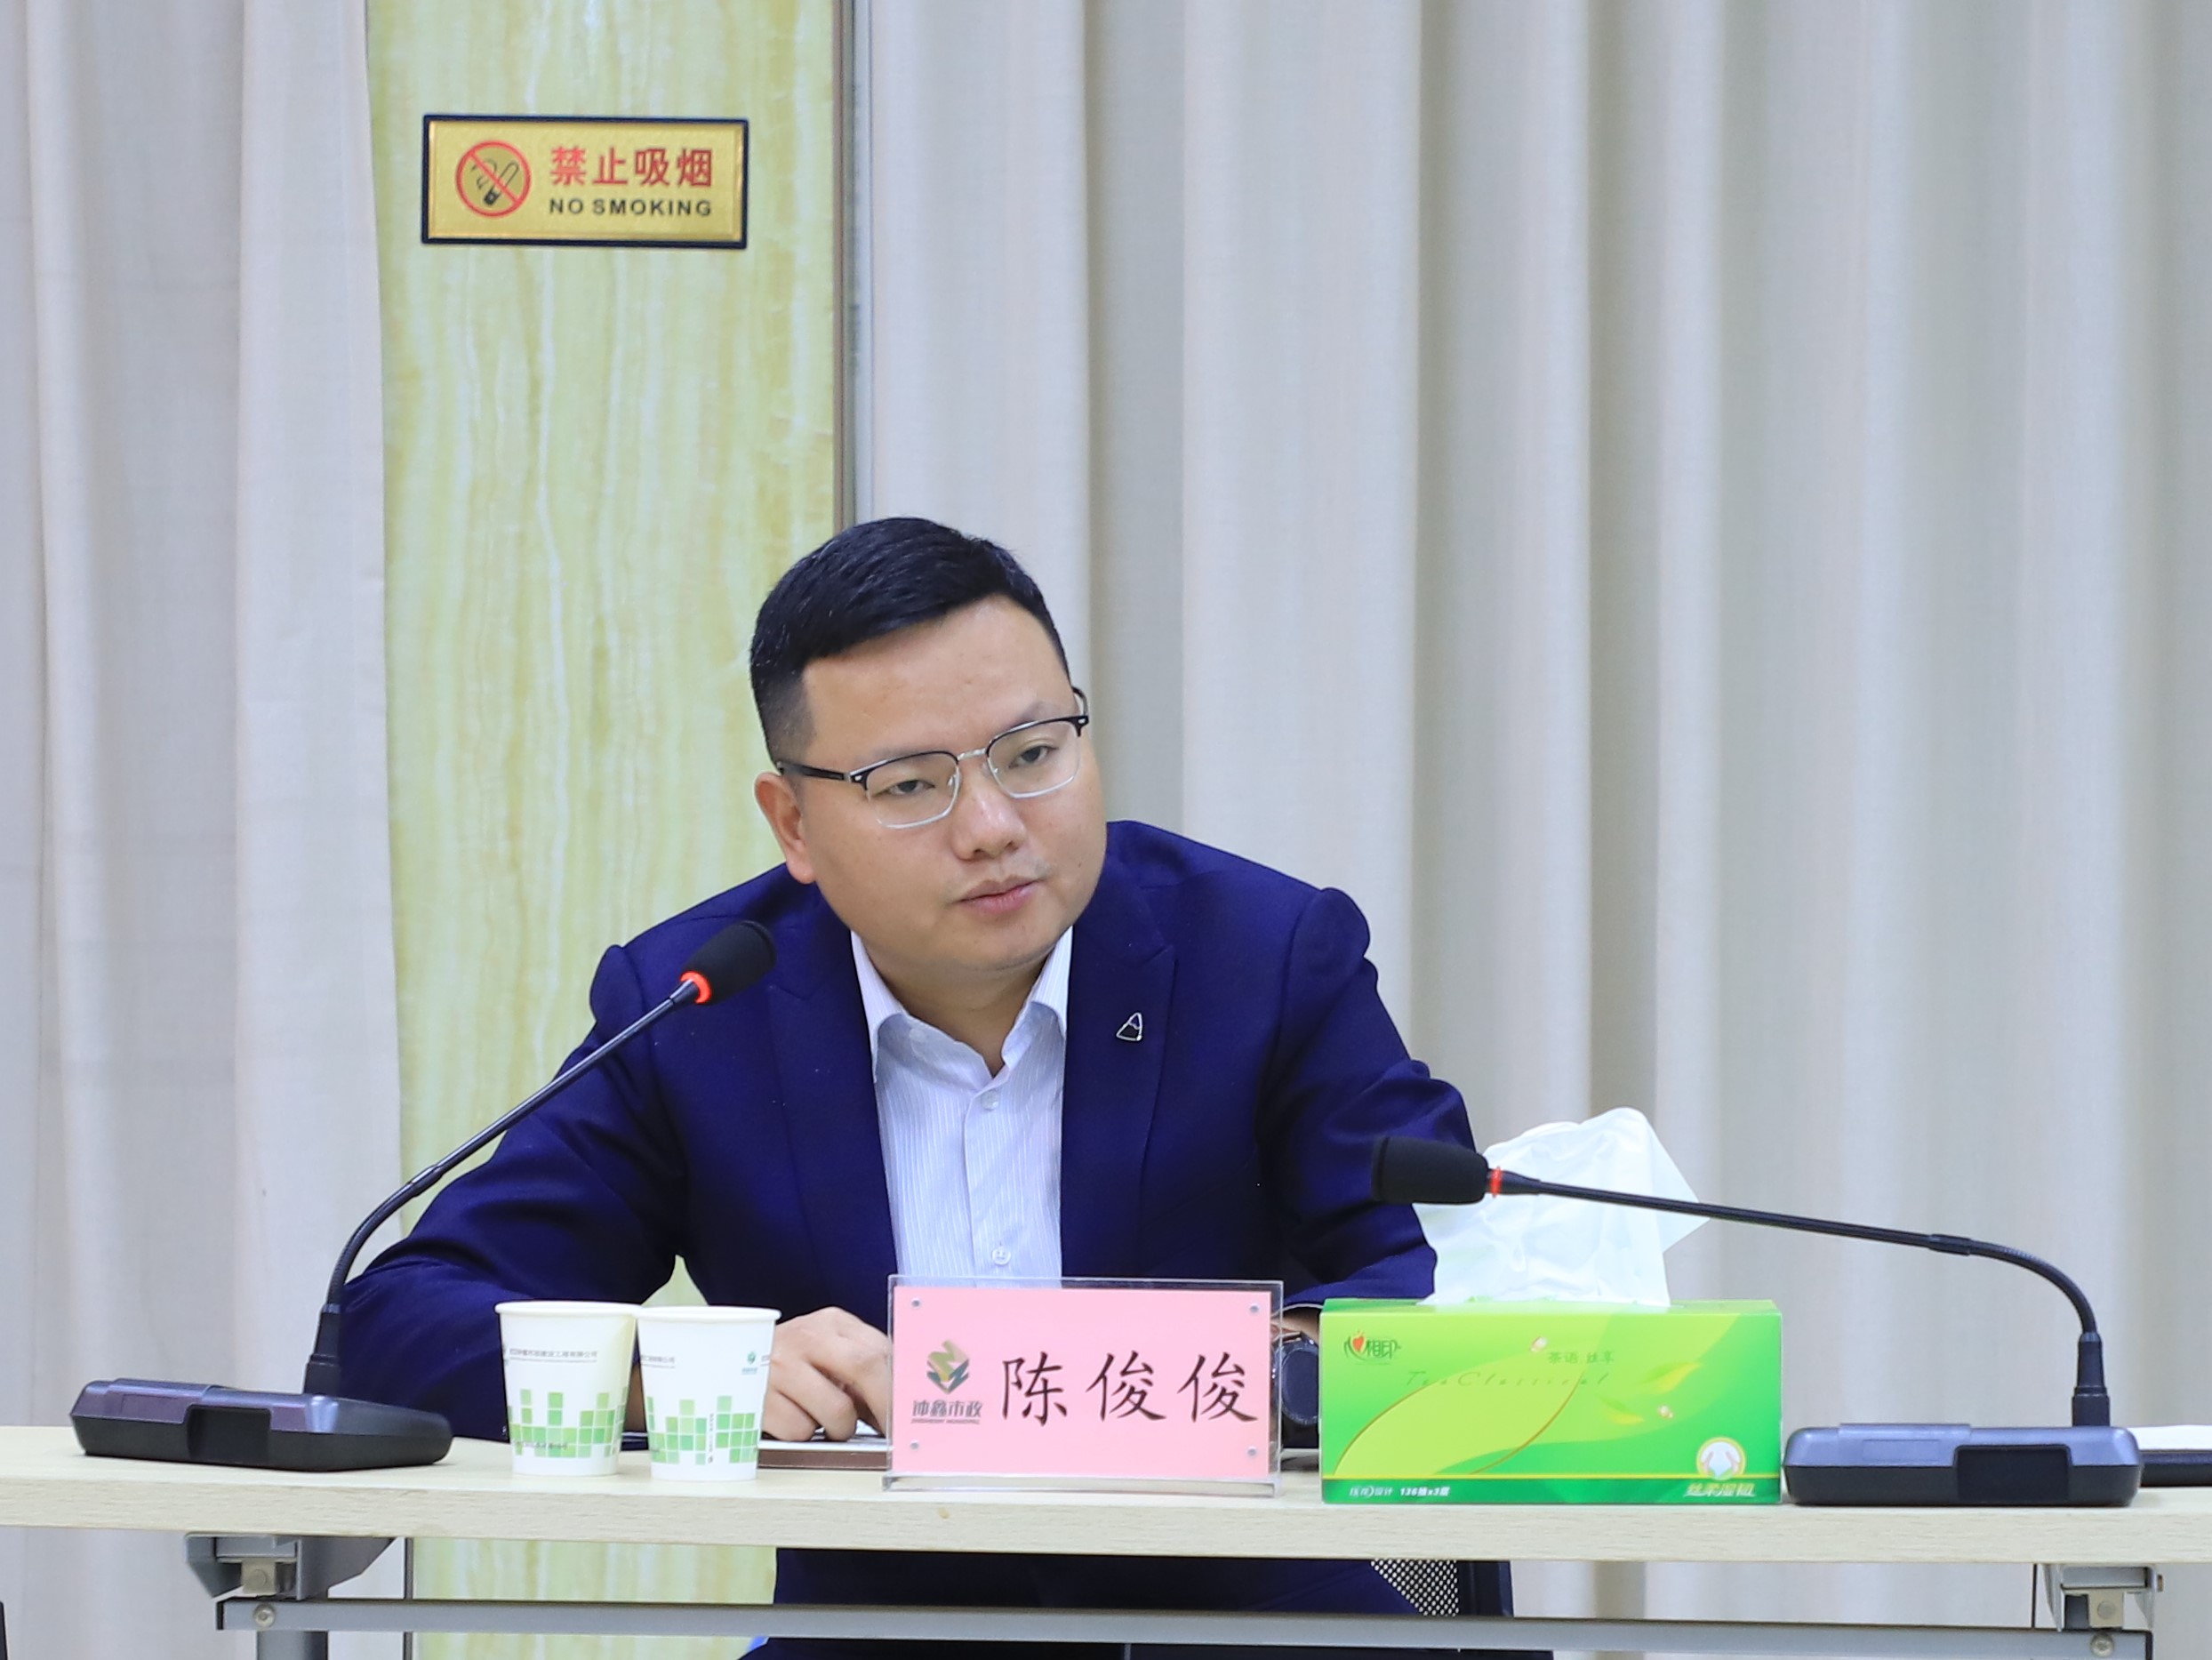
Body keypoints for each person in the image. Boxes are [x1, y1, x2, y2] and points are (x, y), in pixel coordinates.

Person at [341, 517, 1483, 1654]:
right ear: (794, 822)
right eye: (909, 785)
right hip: (882, 1637)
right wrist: (680, 1375)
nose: (991, 828)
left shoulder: (1263, 955)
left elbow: (1461, 1285)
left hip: (1253, 1633)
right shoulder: (700, 1008)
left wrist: (1246, 1366)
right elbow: (401, 1327)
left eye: (1031, 755)